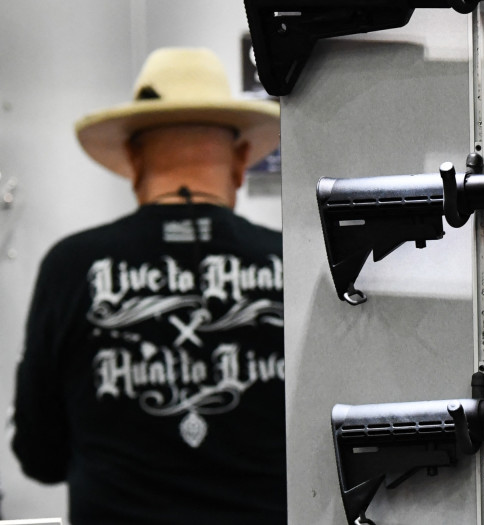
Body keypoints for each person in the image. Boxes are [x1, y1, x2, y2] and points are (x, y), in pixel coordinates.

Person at [11, 48, 285, 524]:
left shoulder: (70, 266)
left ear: (134, 161)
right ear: (241, 161)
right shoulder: (291, 264)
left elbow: (40, 455)